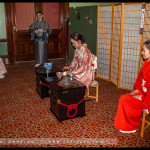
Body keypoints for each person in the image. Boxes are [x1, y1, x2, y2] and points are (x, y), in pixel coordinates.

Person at [114, 39, 150, 133]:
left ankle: (131, 126)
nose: (142, 53)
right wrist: (137, 89)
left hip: (147, 98)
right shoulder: (147, 62)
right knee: (124, 98)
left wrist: (142, 97)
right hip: (143, 92)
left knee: (125, 100)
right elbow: (140, 77)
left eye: (144, 50)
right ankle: (126, 124)